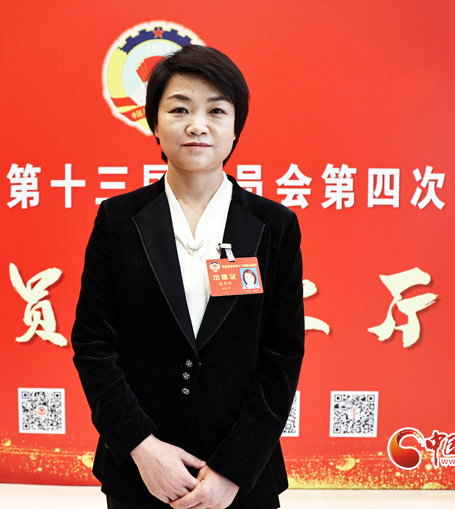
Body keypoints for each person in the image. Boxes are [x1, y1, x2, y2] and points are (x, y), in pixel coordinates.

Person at [72, 45, 305, 509]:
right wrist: (142, 448)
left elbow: (281, 357)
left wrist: (233, 468)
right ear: (155, 125)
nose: (197, 124)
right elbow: (94, 345)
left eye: (216, 110)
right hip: (140, 474)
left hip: (242, 480)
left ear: (235, 127)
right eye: (179, 109)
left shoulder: (273, 225)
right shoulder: (118, 220)